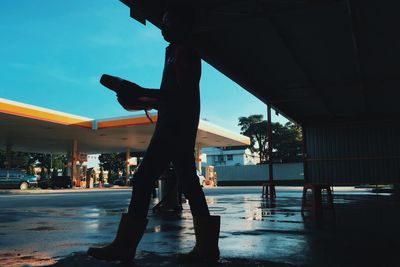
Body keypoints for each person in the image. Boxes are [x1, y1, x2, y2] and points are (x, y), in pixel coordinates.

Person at [87, 6, 220, 263]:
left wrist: (139, 90)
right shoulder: (174, 52)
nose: (163, 28)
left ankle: (124, 246)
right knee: (189, 184)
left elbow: (181, 96)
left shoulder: (185, 52)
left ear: (183, 25)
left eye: (169, 22)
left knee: (143, 180)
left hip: (174, 128)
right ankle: (207, 249)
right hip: (174, 124)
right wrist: (139, 99)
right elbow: (170, 97)